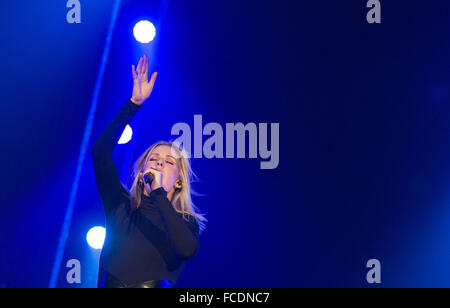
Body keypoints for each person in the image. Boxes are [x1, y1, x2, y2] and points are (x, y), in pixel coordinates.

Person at [91, 54, 207, 288]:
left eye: (169, 162)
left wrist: (158, 195)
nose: (160, 163)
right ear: (143, 169)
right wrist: (133, 104)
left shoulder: (185, 222)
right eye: (153, 159)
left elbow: (187, 249)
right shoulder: (120, 205)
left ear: (179, 182)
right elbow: (100, 152)